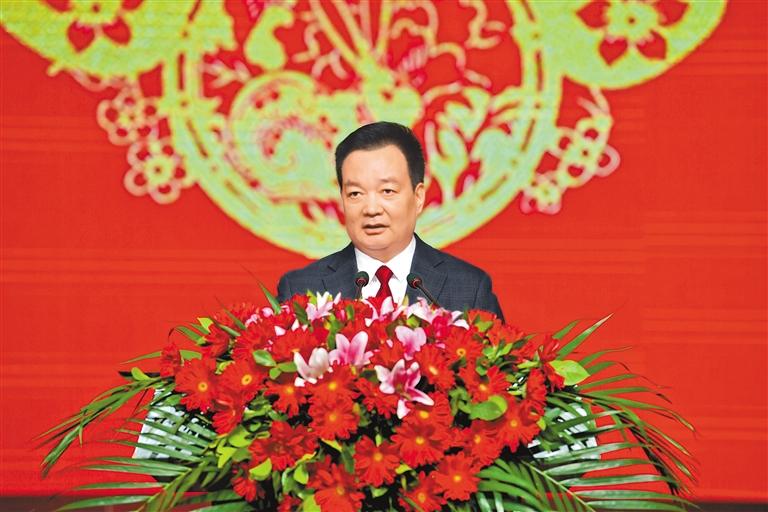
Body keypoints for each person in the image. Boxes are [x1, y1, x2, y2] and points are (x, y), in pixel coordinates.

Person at [277, 121, 504, 320]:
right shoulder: (300, 289)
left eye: (387, 191)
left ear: (418, 197)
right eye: (355, 193)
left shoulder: (469, 288)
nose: (371, 209)